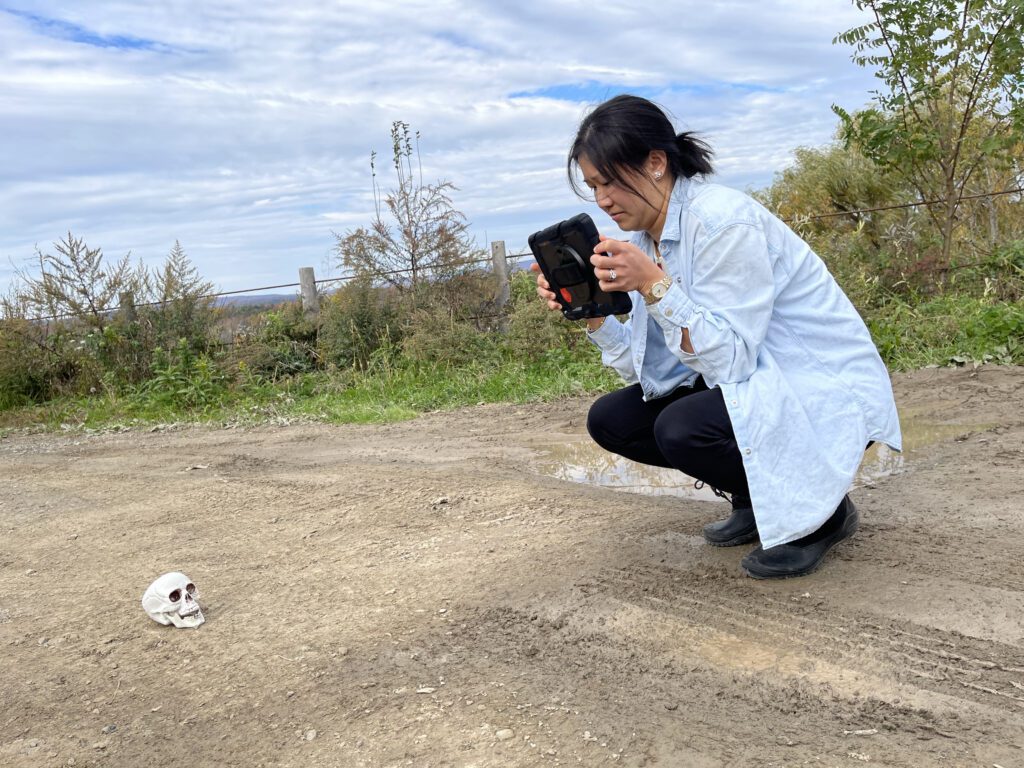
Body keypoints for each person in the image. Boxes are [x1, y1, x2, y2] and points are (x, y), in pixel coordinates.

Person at [532, 94, 902, 579]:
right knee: (614, 419)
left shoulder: (722, 220)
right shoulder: (648, 240)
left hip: (811, 380)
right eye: (593, 187)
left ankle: (823, 516)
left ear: (657, 163)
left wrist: (653, 285)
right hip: (752, 376)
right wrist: (594, 319)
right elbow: (656, 370)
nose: (602, 200)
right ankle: (756, 497)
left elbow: (731, 360)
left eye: (609, 182)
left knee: (683, 427)